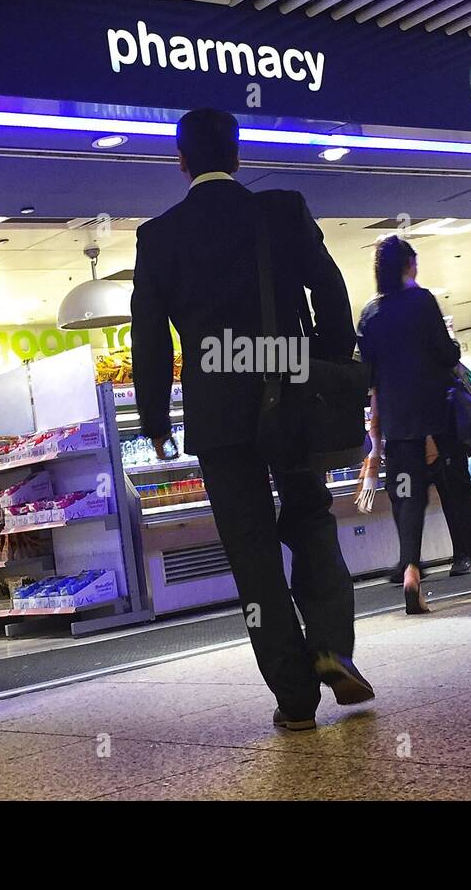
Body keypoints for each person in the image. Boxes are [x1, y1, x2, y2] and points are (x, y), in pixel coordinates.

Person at [131, 108, 373, 733]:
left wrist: (156, 414)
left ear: (180, 161)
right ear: (238, 156)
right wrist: (322, 360)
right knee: (312, 521)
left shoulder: (159, 236)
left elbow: (150, 336)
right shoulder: (283, 210)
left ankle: (294, 696)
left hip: (216, 413)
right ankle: (330, 647)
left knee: (252, 554)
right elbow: (330, 287)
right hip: (289, 394)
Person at [356, 236, 471, 615]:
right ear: (408, 265)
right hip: (437, 419)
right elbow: (446, 353)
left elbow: (368, 375)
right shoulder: (421, 301)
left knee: (408, 500)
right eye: (415, 262)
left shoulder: (370, 313)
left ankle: (411, 571)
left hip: (399, 425)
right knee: (458, 494)